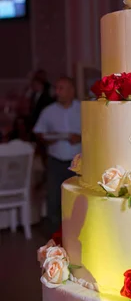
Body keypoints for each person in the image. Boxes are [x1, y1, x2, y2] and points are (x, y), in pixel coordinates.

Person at [34, 77, 81, 231]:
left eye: (62, 88)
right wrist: (48, 138)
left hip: (78, 162)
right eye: (57, 88)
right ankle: (54, 235)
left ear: (71, 91)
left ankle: (77, 232)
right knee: (54, 197)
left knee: (78, 199)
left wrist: (80, 137)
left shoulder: (82, 109)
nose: (58, 92)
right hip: (56, 160)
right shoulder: (48, 111)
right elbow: (39, 132)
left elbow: (95, 132)